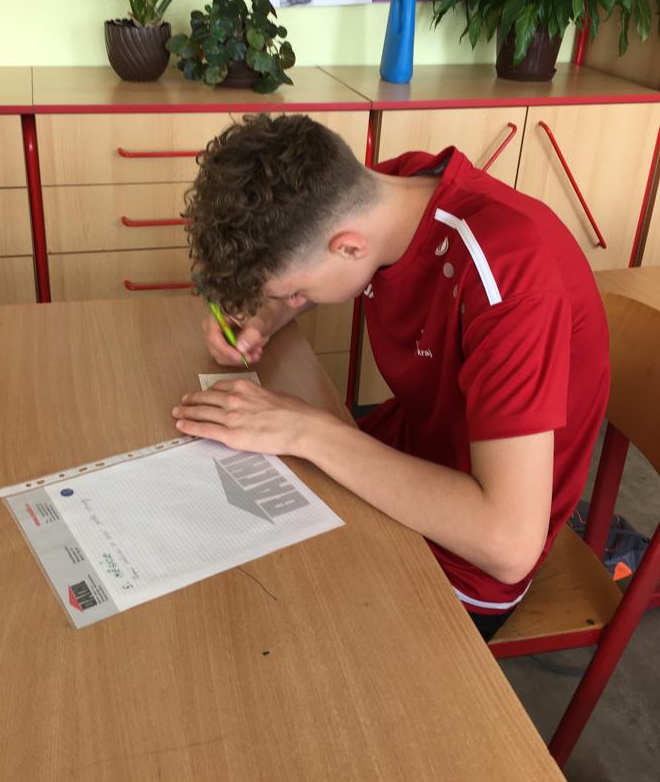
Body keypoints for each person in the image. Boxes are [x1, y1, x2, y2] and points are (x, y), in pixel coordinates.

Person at [171, 114, 610, 641]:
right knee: (225, 547)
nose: (291, 301)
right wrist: (264, 317)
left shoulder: (509, 281)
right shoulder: (387, 192)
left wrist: (305, 430)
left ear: (350, 247)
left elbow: (508, 544)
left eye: (293, 292)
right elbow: (320, 252)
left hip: (475, 541)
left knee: (270, 626)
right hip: (412, 447)